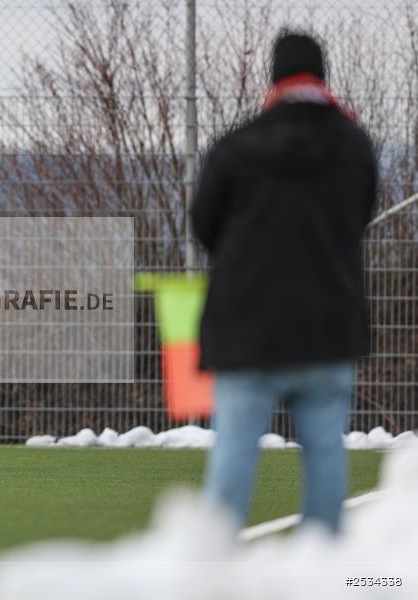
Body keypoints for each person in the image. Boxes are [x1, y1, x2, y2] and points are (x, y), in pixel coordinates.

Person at [192, 31, 377, 534]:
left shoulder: (236, 148)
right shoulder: (354, 145)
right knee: (324, 452)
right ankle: (325, 570)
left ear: (273, 78)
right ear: (322, 76)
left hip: (248, 326)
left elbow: (204, 226)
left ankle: (212, 568)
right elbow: (359, 216)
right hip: (327, 326)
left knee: (233, 450)